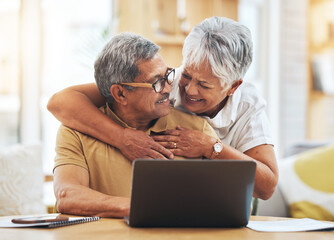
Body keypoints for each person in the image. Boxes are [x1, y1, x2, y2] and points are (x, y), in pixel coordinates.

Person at [48, 17, 278, 200]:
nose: (188, 90)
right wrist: (123, 137)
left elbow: (266, 187)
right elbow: (62, 102)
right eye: (186, 75)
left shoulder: (246, 105)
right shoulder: (165, 79)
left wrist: (211, 148)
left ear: (233, 87)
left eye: (205, 85)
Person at [53, 33, 219, 218]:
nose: (167, 89)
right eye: (156, 82)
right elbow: (68, 196)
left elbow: (225, 201)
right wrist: (144, 207)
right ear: (120, 94)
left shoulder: (197, 130)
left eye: (167, 76)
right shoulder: (75, 132)